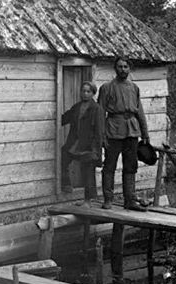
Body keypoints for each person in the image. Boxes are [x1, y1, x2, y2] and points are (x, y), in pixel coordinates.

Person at [98, 56, 150, 211]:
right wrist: (101, 136)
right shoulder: (107, 88)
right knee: (109, 166)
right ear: (115, 69)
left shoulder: (134, 88)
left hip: (132, 132)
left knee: (130, 166)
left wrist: (145, 134)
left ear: (130, 69)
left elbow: (139, 111)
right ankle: (108, 199)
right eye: (120, 66)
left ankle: (130, 200)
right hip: (113, 131)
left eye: (126, 66)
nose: (123, 69)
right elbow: (100, 113)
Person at [60, 81, 105, 205]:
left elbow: (99, 131)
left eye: (88, 91)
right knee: (63, 156)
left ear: (93, 94)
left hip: (89, 145)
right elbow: (64, 118)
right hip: (75, 143)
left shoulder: (97, 109)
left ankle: (88, 200)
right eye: (83, 91)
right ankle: (67, 184)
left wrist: (96, 151)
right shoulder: (77, 107)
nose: (85, 94)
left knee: (88, 172)